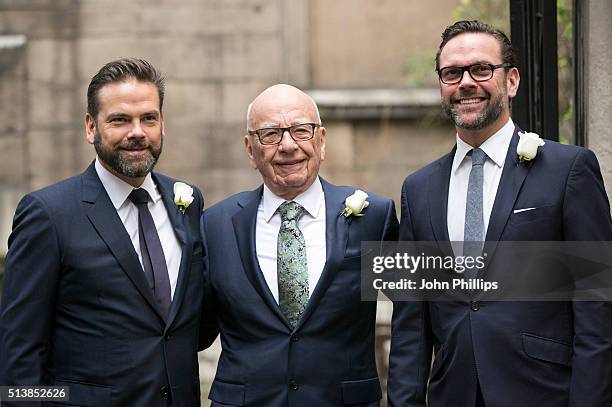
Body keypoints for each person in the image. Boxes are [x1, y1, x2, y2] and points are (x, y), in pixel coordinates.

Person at [387, 20, 612, 407]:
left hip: (544, 394)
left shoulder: (568, 170)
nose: (466, 83)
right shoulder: (418, 189)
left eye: (481, 69)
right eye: (452, 73)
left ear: (511, 81)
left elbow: (598, 304)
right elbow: (411, 324)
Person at [0, 58, 215, 406]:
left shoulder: (187, 203)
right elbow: (18, 351)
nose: (137, 132)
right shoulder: (48, 214)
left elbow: (188, 324)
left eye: (149, 118)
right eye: (119, 120)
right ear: (91, 127)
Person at [200, 84, 398, 406]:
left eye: (300, 131)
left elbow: (417, 315)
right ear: (250, 150)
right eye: (271, 134)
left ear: (320, 141)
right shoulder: (215, 225)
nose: (288, 145)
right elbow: (193, 329)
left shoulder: (372, 218)